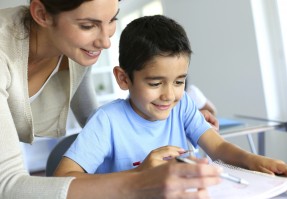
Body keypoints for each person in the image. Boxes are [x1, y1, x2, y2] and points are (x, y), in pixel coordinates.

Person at [0, 1, 222, 199]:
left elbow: (97, 122)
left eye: (112, 19)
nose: (106, 42)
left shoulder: (77, 49)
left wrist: (180, 119)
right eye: (88, 25)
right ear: (42, 14)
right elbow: (6, 185)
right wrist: (139, 180)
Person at [54, 15, 287, 181]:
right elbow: (63, 179)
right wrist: (140, 177)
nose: (169, 95)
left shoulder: (182, 107)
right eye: (155, 83)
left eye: (179, 82)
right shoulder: (107, 121)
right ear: (123, 79)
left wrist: (254, 161)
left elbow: (219, 148)